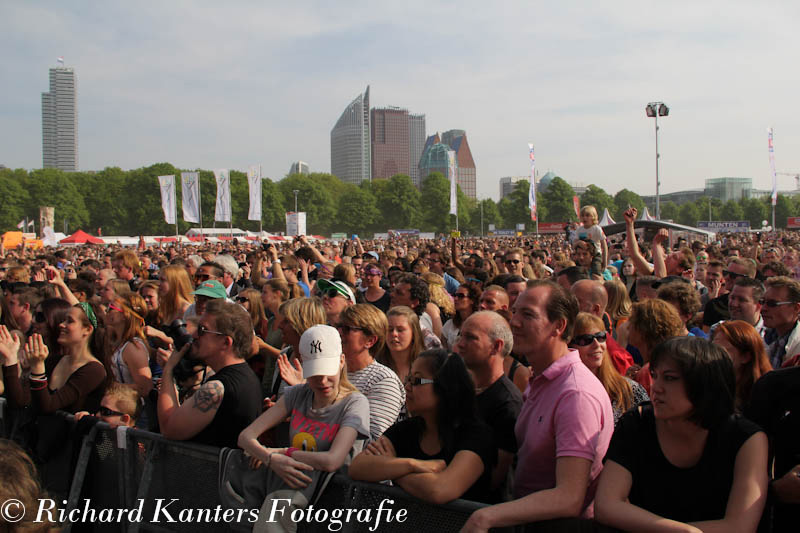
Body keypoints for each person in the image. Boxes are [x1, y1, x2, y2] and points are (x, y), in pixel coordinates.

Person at [462, 281, 614, 531]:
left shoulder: (575, 395)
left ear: (559, 326)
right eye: (515, 312)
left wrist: (486, 517)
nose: (515, 322)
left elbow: (568, 497)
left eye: (528, 314)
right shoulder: (541, 380)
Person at [595, 337, 768, 532]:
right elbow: (606, 505)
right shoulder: (637, 423)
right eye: (655, 375)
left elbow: (740, 526)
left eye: (669, 378)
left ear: (705, 383)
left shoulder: (746, 439)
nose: (656, 387)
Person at [238, 325, 370, 526]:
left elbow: (333, 460)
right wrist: (270, 458)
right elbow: (246, 437)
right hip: (291, 496)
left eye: (328, 371)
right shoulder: (298, 394)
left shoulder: (355, 403)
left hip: (333, 507)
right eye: (315, 374)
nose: (323, 381)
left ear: (341, 361)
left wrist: (281, 453)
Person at [349, 349, 495, 504]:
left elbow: (439, 490)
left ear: (445, 386)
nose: (407, 387)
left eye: (417, 381)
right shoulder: (406, 430)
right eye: (408, 379)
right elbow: (358, 467)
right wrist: (413, 464)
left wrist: (391, 465)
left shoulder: (476, 435)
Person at [157, 299, 262, 448]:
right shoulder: (247, 375)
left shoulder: (216, 389)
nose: (193, 336)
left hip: (213, 471)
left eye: (202, 330)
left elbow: (168, 428)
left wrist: (168, 370)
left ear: (226, 342)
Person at [454, 311, 522, 502]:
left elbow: (495, 477)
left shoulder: (507, 403)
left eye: (470, 338)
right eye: (461, 335)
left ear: (496, 346)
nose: (460, 344)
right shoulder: (462, 389)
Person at [1, 303, 107, 414]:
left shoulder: (94, 370)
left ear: (87, 330)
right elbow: (19, 402)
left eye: (69, 321)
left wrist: (38, 368)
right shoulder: (54, 361)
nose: (61, 325)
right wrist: (10, 359)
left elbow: (47, 407)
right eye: (64, 320)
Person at [338, 304, 405, 441]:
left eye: (347, 329)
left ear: (370, 341)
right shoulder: (331, 373)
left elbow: (370, 440)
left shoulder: (383, 380)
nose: (339, 333)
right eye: (338, 327)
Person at [569, 313, 648, 425]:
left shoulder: (629, 390)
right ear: (570, 346)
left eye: (600, 337)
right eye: (585, 340)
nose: (596, 345)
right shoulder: (563, 393)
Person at [626, 298, 685, 394]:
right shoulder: (666, 363)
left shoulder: (649, 372)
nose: (628, 327)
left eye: (632, 322)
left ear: (643, 329)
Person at [712, 320, 772, 411]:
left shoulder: (763, 396)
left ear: (745, 357)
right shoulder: (711, 388)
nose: (712, 356)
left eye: (722, 351)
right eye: (712, 349)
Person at [106, 293, 153, 398]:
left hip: (130, 409)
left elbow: (145, 388)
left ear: (125, 315)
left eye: (111, 308)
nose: (106, 311)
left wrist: (110, 386)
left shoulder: (133, 348)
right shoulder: (115, 340)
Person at [379, 305, 424, 385]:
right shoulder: (377, 364)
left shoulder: (426, 366)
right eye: (390, 329)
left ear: (414, 333)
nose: (394, 334)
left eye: (400, 330)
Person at [761, 276, 800, 368]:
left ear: (796, 308)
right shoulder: (763, 339)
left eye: (772, 304)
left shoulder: (797, 346)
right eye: (762, 302)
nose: (763, 309)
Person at [441, 284, 480, 350]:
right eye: (455, 295)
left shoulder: (479, 324)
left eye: (461, 296)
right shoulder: (450, 323)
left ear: (472, 300)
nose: (456, 299)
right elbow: (443, 345)